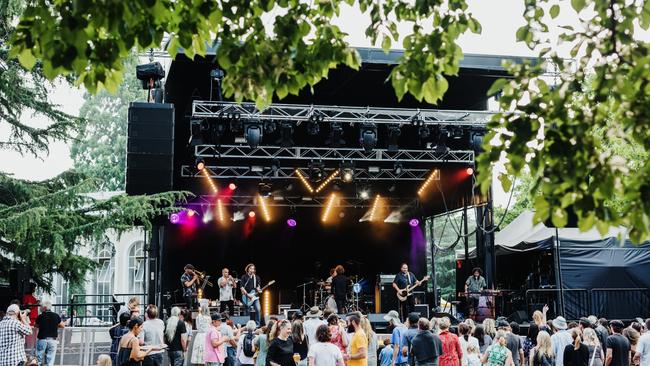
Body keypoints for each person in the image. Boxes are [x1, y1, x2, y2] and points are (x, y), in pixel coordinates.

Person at [35, 299, 65, 366]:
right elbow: (63, 325)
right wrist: (55, 325)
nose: (40, 308)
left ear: (44, 308)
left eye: (41, 307)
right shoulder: (56, 315)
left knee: (38, 360)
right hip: (52, 340)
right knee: (50, 361)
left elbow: (36, 325)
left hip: (42, 339)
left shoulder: (40, 316)